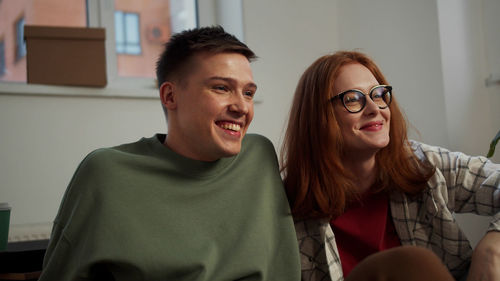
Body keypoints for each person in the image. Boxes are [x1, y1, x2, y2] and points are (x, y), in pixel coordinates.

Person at [39, 26, 301, 281]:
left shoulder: (259, 157)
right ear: (170, 96)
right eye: (221, 88)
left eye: (248, 93)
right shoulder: (105, 174)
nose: (242, 107)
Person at [280, 50, 500, 281]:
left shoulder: (424, 165)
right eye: (353, 99)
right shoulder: (287, 209)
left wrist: (493, 247)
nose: (375, 109)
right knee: (412, 262)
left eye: (378, 94)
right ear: (318, 118)